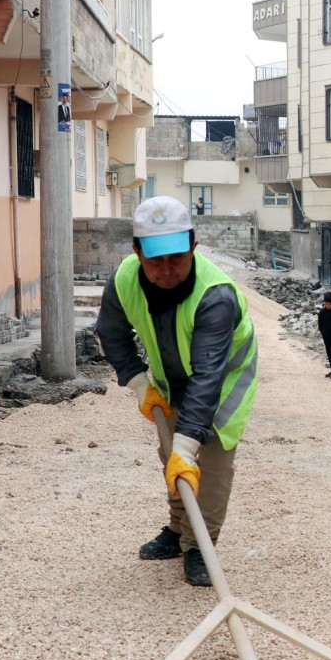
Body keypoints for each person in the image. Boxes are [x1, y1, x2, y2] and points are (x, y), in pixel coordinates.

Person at [95, 196, 258, 587]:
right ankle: (177, 527)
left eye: (177, 259)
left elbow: (207, 377)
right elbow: (111, 335)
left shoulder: (215, 295)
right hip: (171, 379)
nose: (167, 271)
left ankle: (200, 545)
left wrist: (190, 445)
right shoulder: (123, 281)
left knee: (211, 464)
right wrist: (138, 383)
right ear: (136, 252)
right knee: (171, 454)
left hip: (222, 382)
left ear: (194, 248)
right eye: (155, 261)